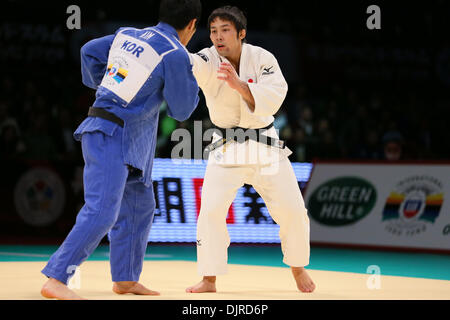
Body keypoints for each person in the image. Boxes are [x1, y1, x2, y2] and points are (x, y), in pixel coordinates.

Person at [40, 0, 202, 300]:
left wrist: (108, 85)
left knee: (140, 207)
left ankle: (126, 279)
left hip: (128, 140)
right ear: (192, 24)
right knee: (102, 211)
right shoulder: (175, 53)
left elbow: (87, 51)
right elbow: (181, 110)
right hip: (111, 134)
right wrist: (194, 77)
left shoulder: (127, 34)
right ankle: (56, 277)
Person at [186, 6, 315, 293]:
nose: (218, 37)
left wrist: (239, 84)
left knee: (293, 209)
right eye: (213, 31)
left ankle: (297, 268)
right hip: (226, 145)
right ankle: (209, 278)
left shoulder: (262, 58)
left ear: (241, 33)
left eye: (225, 30)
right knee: (210, 211)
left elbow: (273, 97)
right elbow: (190, 65)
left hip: (265, 144)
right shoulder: (209, 58)